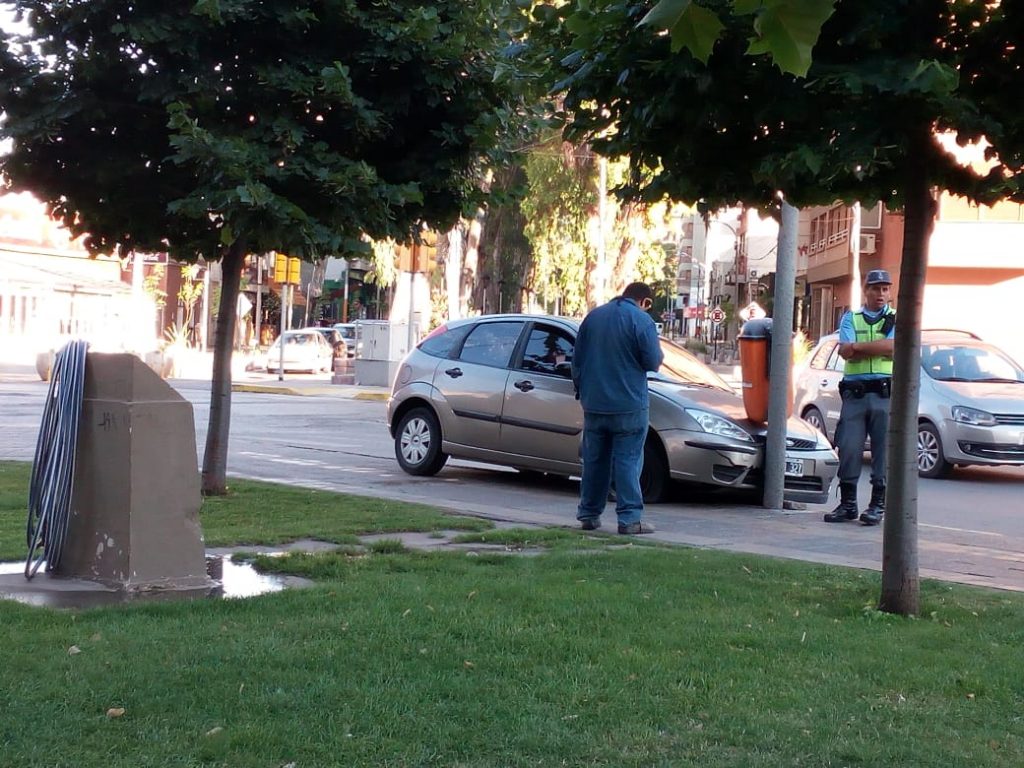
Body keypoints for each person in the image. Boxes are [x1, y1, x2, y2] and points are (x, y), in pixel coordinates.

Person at [572, 282, 665, 534]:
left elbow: (577, 361)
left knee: (594, 461)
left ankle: (589, 515)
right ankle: (629, 520)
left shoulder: (593, 317)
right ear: (644, 302)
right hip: (629, 405)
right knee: (628, 461)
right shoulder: (641, 320)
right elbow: (653, 361)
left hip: (594, 405)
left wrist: (583, 391)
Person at [823, 269, 896, 526]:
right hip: (855, 395)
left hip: (883, 394)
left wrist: (859, 348)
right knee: (850, 448)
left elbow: (892, 347)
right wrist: (874, 347)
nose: (881, 294)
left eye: (886, 289)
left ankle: (877, 504)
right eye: (876, 288)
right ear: (866, 291)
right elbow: (844, 351)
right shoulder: (850, 318)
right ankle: (848, 504)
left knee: (882, 452)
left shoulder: (896, 319)